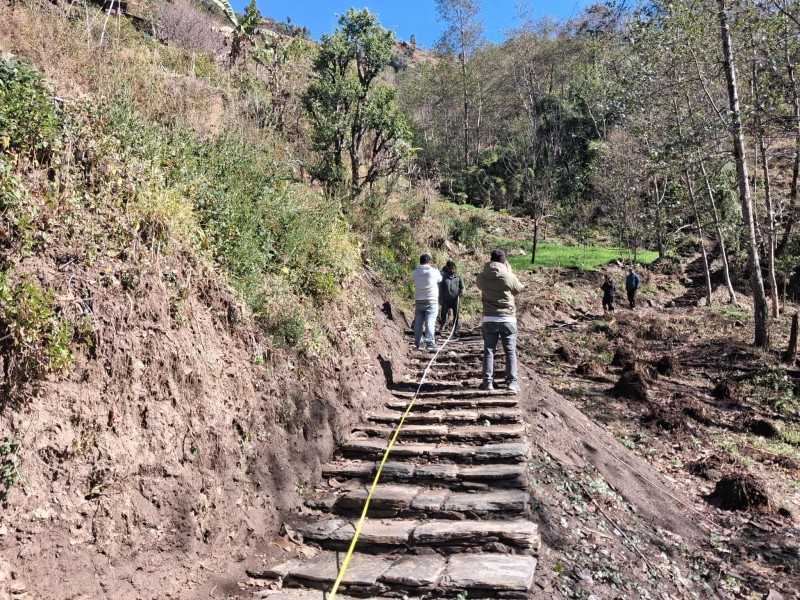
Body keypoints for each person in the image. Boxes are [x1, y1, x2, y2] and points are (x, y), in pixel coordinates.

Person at [475, 249, 525, 393]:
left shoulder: (481, 277)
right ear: (504, 261)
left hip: (489, 318)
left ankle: (488, 383)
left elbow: (480, 286)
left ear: (490, 259)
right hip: (508, 318)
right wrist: (509, 272)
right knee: (510, 351)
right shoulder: (509, 276)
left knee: (489, 351)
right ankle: (512, 383)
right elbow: (518, 289)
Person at [412, 253, 442, 351]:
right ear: (430, 262)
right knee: (430, 321)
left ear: (420, 262)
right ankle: (430, 343)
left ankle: (419, 343)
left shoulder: (415, 272)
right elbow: (440, 279)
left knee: (418, 322)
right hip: (431, 300)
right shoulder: (434, 271)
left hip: (419, 300)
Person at [439, 260, 464, 332]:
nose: (452, 270)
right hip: (446, 299)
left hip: (455, 299)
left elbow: (462, 287)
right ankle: (443, 325)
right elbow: (441, 288)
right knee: (443, 312)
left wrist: (461, 293)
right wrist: (440, 298)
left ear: (455, 269)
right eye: (450, 269)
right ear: (448, 269)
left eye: (453, 269)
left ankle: (455, 327)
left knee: (456, 314)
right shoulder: (444, 277)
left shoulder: (458, 277)